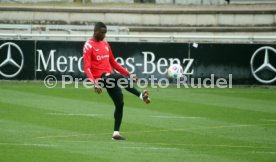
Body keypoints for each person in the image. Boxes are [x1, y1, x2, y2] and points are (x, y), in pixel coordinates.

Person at [83, 22, 151, 141]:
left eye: (105, 33)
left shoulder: (105, 44)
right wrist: (94, 82)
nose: (104, 35)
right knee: (117, 76)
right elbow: (87, 67)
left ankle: (116, 134)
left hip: (110, 77)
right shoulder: (88, 45)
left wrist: (129, 74)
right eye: (102, 33)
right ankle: (141, 95)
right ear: (96, 31)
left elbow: (113, 62)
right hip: (100, 79)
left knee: (120, 103)